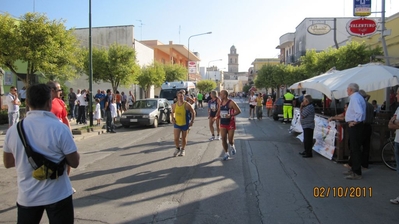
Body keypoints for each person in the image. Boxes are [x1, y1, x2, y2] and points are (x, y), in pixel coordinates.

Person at [3, 83, 80, 223]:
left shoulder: (14, 130)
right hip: (58, 194)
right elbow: (74, 162)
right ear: (49, 102)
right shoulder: (60, 128)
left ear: (27, 102)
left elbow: (8, 163)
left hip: (27, 196)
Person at [344, 83, 366, 180]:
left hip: (356, 127)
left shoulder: (355, 98)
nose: (347, 90)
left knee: (355, 148)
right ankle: (353, 169)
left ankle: (357, 172)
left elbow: (360, 112)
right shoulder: (357, 97)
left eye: (348, 89)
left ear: (351, 90)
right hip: (356, 126)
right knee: (353, 148)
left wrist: (354, 122)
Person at [218, 90, 242, 160]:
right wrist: (216, 116)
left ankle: (232, 145)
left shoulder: (231, 102)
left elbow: (238, 111)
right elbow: (219, 111)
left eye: (221, 94)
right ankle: (226, 153)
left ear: (225, 95)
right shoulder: (221, 102)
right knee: (223, 139)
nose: (220, 95)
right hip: (223, 123)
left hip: (230, 123)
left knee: (230, 140)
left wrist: (231, 114)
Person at [172, 90, 195, 157]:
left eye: (181, 96)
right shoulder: (174, 105)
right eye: (179, 96)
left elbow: (193, 112)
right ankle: (177, 148)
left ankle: (183, 149)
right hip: (177, 123)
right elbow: (172, 112)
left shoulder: (187, 104)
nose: (180, 97)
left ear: (184, 97)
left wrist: (192, 121)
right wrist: (173, 118)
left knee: (184, 138)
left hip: (185, 123)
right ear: (177, 97)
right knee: (176, 138)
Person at [388, 88, 399, 204]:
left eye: (397, 94)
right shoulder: (398, 108)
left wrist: (394, 122)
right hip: (397, 140)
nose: (396, 96)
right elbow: (390, 124)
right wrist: (395, 122)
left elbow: (393, 122)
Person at [359, 89, 374, 169]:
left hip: (362, 126)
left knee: (358, 145)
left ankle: (357, 163)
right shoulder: (370, 105)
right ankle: (365, 164)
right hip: (369, 126)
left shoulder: (361, 105)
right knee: (366, 146)